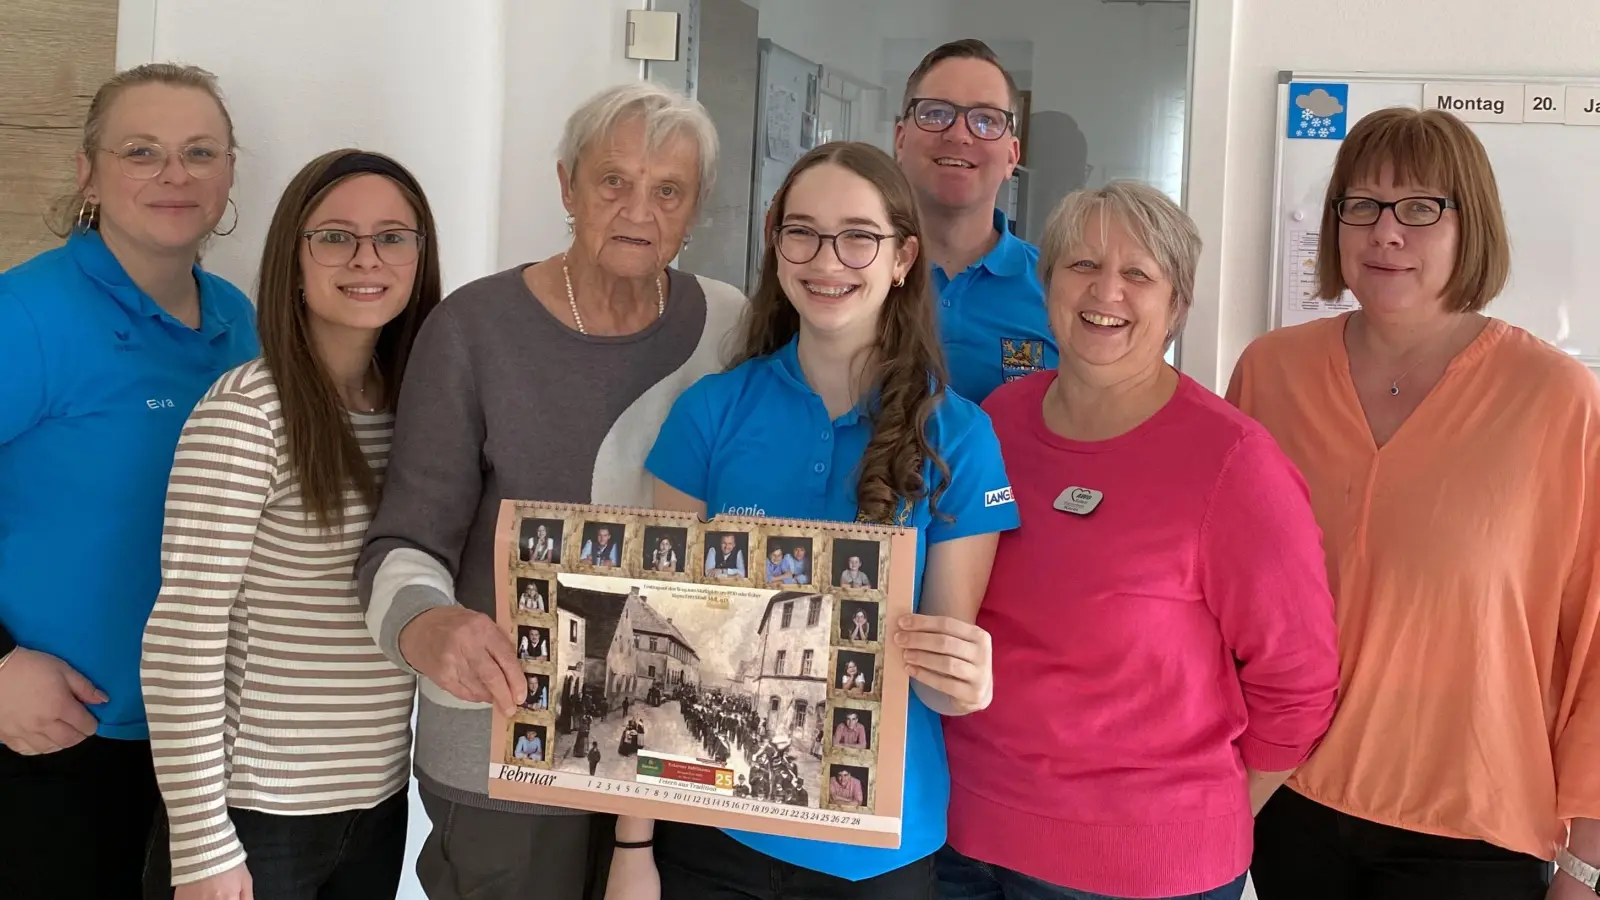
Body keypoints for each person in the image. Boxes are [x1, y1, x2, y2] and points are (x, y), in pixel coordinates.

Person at [356, 81, 744, 900]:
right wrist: (428, 626)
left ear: (695, 206)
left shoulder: (729, 328)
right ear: (567, 186)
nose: (639, 210)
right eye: (613, 182)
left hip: (679, 757)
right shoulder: (471, 328)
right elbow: (404, 541)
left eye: (667, 190)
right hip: (505, 748)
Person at [624, 140, 1020, 899]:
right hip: (712, 824)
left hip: (873, 848)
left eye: (858, 237)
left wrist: (965, 680)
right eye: (801, 231)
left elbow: (938, 678)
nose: (826, 258)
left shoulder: (959, 437)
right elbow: (660, 651)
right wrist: (631, 846)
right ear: (776, 246)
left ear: (903, 256)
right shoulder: (710, 411)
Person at [1229, 107, 1600, 900]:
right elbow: (1224, 595)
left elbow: (1596, 642)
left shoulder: (1556, 400)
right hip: (1287, 800)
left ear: (1474, 225)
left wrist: (1585, 863)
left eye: (1421, 207)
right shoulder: (1271, 374)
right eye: (1359, 205)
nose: (1385, 233)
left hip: (1470, 822)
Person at [937, 181, 1340, 900]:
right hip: (961, 838)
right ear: (1047, 281)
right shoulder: (997, 420)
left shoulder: (1233, 463)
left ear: (1176, 305)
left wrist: (1201, 820)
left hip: (1138, 869)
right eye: (1083, 265)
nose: (1107, 291)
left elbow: (1299, 683)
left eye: (1138, 274)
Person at [139, 149, 442, 900]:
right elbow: (184, 634)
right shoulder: (246, 413)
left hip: (373, 807)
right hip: (253, 816)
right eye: (335, 236)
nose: (366, 257)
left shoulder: (418, 414)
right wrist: (203, 843)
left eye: (393, 237)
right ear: (294, 258)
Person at [0, 63, 258, 899]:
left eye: (199, 152)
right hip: (50, 744)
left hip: (201, 749)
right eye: (141, 151)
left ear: (228, 173)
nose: (174, 176)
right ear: (89, 171)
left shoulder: (242, 322)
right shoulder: (27, 315)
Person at [894, 39, 1056, 403]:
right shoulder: (850, 272)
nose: (959, 134)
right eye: (936, 113)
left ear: (1012, 156)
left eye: (986, 120)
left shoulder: (1057, 291)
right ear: (900, 140)